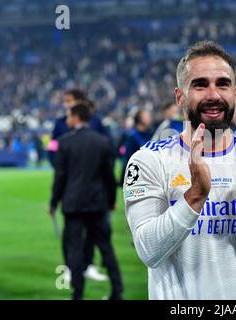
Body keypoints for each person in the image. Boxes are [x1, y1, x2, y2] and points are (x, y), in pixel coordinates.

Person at [124, 41, 236, 299]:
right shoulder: (148, 161)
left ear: (234, 93)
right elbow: (149, 252)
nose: (213, 95)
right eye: (200, 84)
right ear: (180, 96)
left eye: (222, 84)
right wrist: (195, 196)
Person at [49, 103, 123, 300]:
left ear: (76, 116)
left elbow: (60, 177)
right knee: (105, 246)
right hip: (97, 203)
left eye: (68, 115)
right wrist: (112, 200)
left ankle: (78, 293)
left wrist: (53, 202)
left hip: (73, 204)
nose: (66, 119)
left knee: (73, 248)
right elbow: (109, 176)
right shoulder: (102, 141)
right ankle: (117, 291)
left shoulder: (65, 142)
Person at [48, 89, 109, 282]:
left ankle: (88, 264)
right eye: (65, 101)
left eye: (69, 100)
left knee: (92, 229)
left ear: (79, 102)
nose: (66, 104)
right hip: (70, 183)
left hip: (92, 184)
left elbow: (106, 148)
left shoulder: (96, 122)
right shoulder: (59, 123)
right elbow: (52, 150)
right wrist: (60, 167)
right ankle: (70, 266)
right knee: (71, 231)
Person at [120, 109, 153, 186]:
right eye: (147, 116)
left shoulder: (151, 133)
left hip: (149, 174)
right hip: (137, 176)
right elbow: (128, 158)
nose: (150, 118)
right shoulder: (132, 136)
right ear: (140, 119)